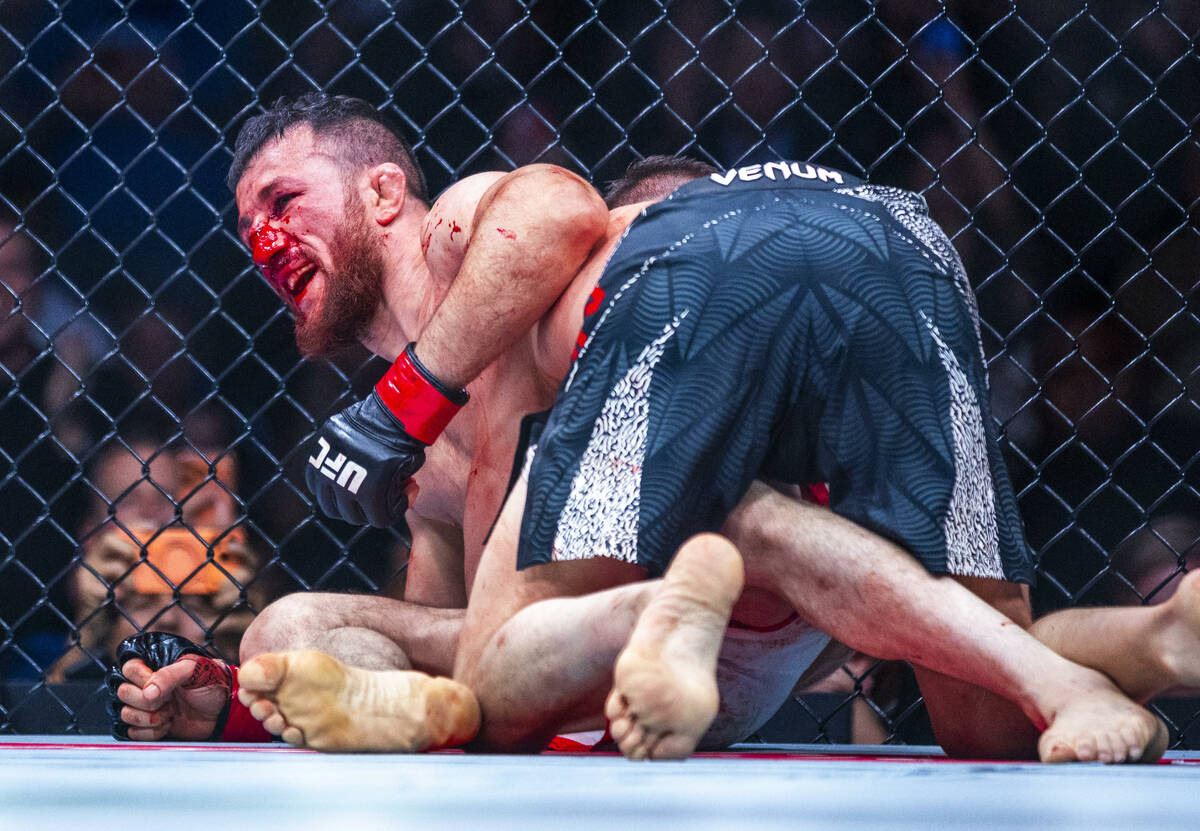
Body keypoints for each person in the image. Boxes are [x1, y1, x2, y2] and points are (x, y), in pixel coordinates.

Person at [115, 95, 1190, 762]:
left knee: (538, 649)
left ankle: (666, 602)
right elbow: (445, 687)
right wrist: (249, 697)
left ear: (387, 191)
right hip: (896, 246)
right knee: (992, 730)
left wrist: (402, 405)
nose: (263, 237)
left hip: (709, 289)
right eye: (247, 221)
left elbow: (557, 214)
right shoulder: (422, 470)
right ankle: (1159, 639)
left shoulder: (461, 233)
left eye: (286, 197)